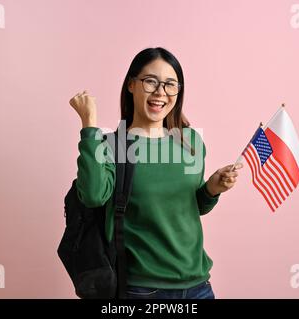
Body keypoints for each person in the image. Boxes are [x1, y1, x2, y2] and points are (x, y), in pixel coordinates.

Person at [69, 47, 243, 299]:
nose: (161, 92)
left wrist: (211, 189)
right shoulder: (110, 145)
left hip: (199, 287)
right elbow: (93, 196)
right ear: (131, 85)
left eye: (170, 84)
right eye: (151, 81)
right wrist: (89, 125)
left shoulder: (190, 141)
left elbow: (191, 208)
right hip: (142, 290)